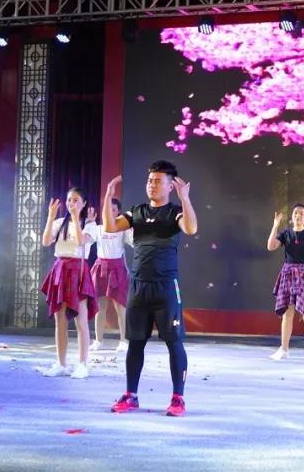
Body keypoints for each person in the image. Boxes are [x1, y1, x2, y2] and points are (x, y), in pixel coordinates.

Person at [102, 160, 197, 417]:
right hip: (138, 287)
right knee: (135, 343)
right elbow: (110, 227)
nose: (152, 185)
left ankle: (178, 399)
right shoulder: (137, 212)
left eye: (157, 181)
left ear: (170, 186)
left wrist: (185, 199)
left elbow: (191, 228)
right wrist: (108, 197)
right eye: (150, 181)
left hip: (166, 288)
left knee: (174, 343)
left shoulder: (175, 212)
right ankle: (130, 395)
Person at [38, 188, 98, 379]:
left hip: (78, 270)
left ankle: (82, 364)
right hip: (61, 269)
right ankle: (61, 363)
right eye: (69, 200)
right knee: (60, 320)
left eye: (76, 200)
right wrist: (50, 217)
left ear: (84, 203)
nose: (72, 203)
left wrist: (75, 218)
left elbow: (81, 241)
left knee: (81, 319)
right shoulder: (59, 223)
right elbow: (46, 241)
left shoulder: (90, 224)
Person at [266, 203, 304, 363]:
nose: (298, 215)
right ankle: (284, 349)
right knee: (287, 314)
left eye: (301, 213)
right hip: (288, 274)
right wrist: (275, 226)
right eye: (296, 213)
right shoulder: (286, 233)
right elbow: (271, 246)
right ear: (292, 216)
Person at [88, 197, 133, 354]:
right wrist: (89, 223)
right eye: (107, 209)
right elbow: (85, 241)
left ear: (118, 212)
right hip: (100, 267)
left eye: (113, 210)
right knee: (100, 306)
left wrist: (132, 227)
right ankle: (98, 340)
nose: (110, 212)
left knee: (120, 306)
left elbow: (134, 242)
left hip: (117, 269)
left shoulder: (123, 230)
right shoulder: (98, 229)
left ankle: (124, 341)